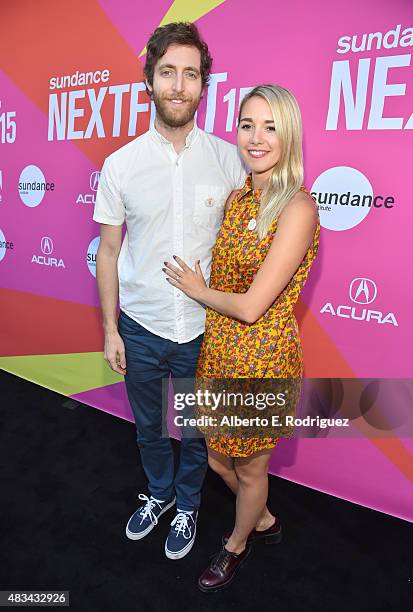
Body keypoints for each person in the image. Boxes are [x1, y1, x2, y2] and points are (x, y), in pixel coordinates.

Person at [93, 22, 246, 560]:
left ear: (205, 84)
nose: (179, 85)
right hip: (141, 326)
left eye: (190, 73)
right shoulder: (121, 165)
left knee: (199, 433)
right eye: (167, 73)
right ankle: (158, 494)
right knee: (150, 427)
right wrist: (110, 329)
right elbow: (108, 252)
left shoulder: (231, 161)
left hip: (206, 330)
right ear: (149, 82)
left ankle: (187, 504)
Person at [163, 84, 320, 590]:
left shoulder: (297, 208)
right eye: (248, 125)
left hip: (261, 359)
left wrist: (196, 289)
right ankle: (266, 520)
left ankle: (236, 545)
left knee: (251, 470)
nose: (256, 137)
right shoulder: (237, 198)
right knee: (215, 456)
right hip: (220, 351)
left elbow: (252, 306)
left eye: (271, 127)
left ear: (289, 134)